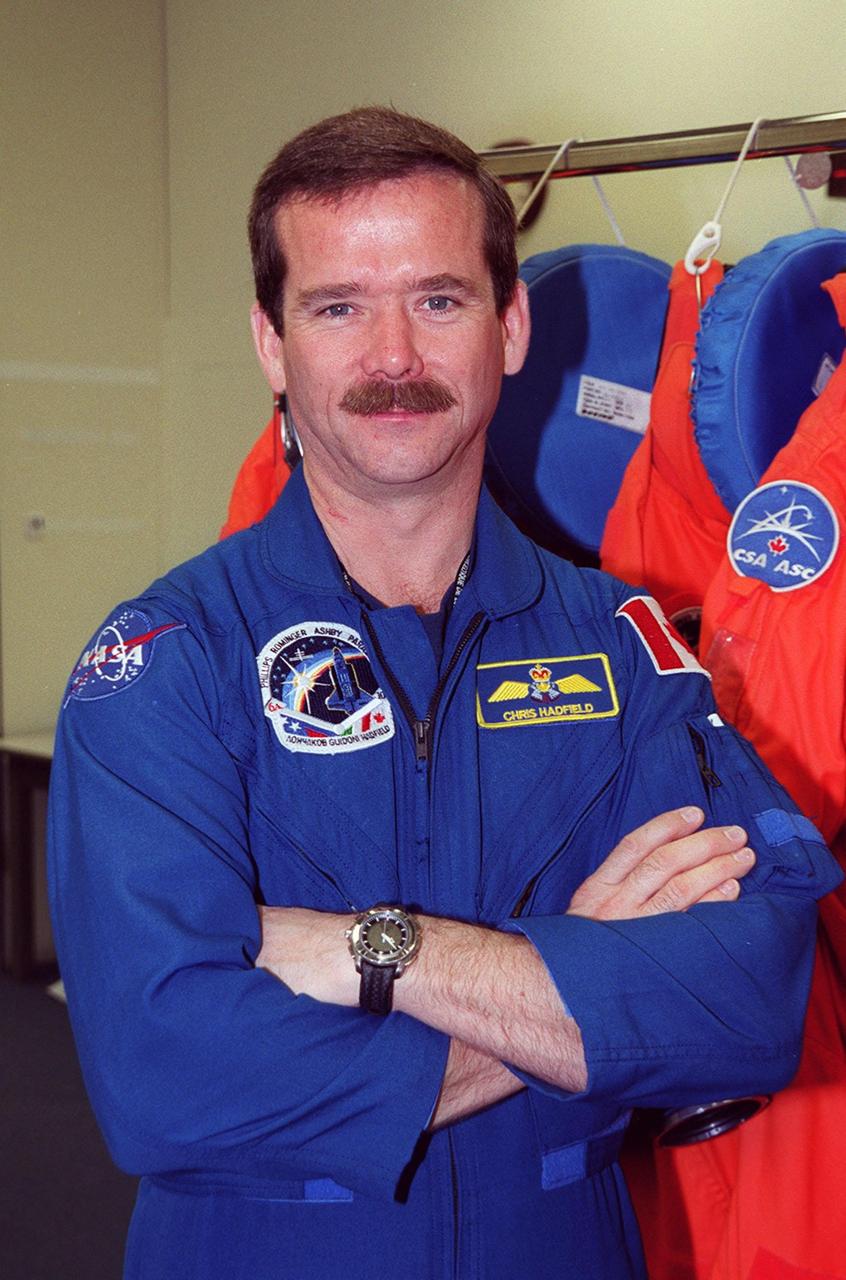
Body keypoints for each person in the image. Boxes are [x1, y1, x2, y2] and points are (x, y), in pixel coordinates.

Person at [47, 107, 841, 1280]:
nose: (392, 359)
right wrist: (583, 982)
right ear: (272, 343)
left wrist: (389, 949)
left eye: (437, 298)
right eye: (337, 307)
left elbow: (748, 1001)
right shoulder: (168, 661)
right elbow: (167, 1078)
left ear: (510, 325)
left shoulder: (617, 648)